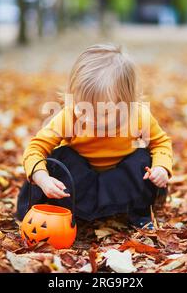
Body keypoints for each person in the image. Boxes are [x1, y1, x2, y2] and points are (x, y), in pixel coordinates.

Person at [16, 44, 173, 229]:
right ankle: (70, 209)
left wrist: (161, 168)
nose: (90, 119)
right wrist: (42, 178)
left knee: (142, 159)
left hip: (118, 182)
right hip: (80, 181)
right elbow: (36, 148)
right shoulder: (69, 116)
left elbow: (161, 143)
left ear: (126, 102)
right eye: (83, 108)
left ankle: (138, 212)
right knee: (60, 157)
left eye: (103, 112)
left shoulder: (137, 116)